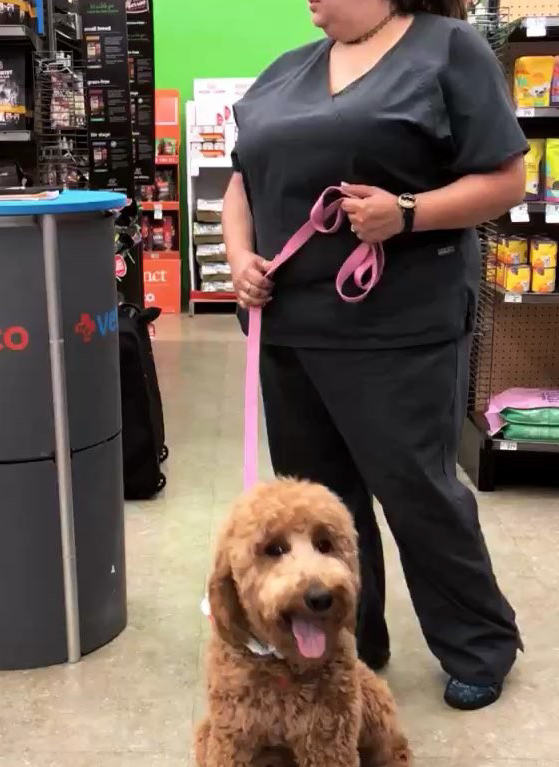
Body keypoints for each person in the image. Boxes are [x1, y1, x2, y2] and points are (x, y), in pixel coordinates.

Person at [224, 0, 526, 710]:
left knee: (418, 491)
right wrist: (239, 259)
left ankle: (478, 642)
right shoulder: (284, 72)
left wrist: (408, 212)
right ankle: (348, 638)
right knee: (322, 506)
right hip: (291, 327)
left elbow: (506, 179)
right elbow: (241, 185)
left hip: (401, 325)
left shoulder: (447, 50)